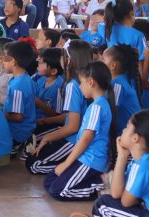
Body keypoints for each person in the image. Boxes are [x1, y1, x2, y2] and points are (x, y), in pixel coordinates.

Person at [44, 61, 114, 200]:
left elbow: (86, 138)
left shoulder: (97, 106)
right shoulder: (98, 104)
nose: (80, 87)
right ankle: (95, 180)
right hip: (84, 157)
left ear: (91, 82)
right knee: (49, 181)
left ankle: (101, 187)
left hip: (91, 159)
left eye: (81, 83)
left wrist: (67, 162)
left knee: (57, 191)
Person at [27, 40, 93, 174]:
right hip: (78, 136)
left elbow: (73, 126)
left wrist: (48, 137)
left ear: (68, 61)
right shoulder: (88, 80)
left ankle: (77, 166)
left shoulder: (73, 86)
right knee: (36, 153)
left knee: (34, 164)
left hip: (75, 139)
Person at [2, 40, 37, 151]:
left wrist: (0, 115)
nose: (2, 61)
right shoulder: (26, 78)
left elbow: (18, 116)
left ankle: (21, 144)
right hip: (23, 129)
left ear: (13, 62)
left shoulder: (18, 86)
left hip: (17, 133)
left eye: (5, 58)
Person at [102, 45, 141, 132]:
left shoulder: (117, 85)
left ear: (113, 65)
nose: (100, 62)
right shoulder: (124, 78)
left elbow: (110, 112)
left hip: (127, 134)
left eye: (103, 59)